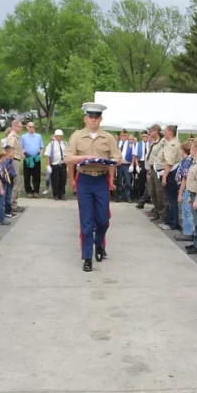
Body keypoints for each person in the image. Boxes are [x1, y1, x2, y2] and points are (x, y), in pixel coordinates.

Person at [65, 102, 121, 272]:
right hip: (84, 180)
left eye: (96, 117)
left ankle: (99, 244)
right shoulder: (77, 136)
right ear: (85, 118)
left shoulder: (108, 137)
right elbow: (68, 158)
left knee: (103, 220)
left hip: (101, 180)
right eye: (90, 117)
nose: (93, 120)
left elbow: (118, 158)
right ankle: (87, 257)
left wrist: (110, 162)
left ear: (100, 119)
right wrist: (86, 157)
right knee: (87, 222)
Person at [157, 125, 182, 231]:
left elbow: (169, 162)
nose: (164, 133)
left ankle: (172, 223)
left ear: (170, 132)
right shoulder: (168, 143)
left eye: (165, 131)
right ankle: (169, 220)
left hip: (170, 173)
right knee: (168, 199)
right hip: (167, 172)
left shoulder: (172, 144)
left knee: (171, 199)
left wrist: (164, 177)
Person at [146, 124, 166, 221]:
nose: (149, 132)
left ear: (157, 131)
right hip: (152, 169)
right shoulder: (153, 142)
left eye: (151, 130)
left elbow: (161, 157)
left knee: (159, 192)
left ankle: (162, 214)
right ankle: (157, 212)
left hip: (158, 169)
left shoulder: (162, 142)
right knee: (152, 192)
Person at [175, 142, 194, 242]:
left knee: (186, 211)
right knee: (185, 210)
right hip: (186, 188)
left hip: (186, 188)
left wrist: (180, 193)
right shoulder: (186, 160)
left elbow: (184, 179)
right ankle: (187, 231)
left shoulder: (187, 162)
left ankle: (188, 232)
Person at [5, 120, 25, 214]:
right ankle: (13, 204)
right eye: (20, 127)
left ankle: (14, 203)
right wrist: (11, 160)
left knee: (17, 182)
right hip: (14, 160)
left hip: (16, 159)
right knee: (16, 182)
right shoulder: (12, 137)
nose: (21, 128)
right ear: (15, 126)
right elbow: (10, 150)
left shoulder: (16, 137)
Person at [21, 122, 44, 198]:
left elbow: (41, 147)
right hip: (28, 158)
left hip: (36, 157)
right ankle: (28, 191)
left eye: (33, 127)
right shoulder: (23, 137)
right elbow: (21, 148)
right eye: (30, 127)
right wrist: (23, 156)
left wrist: (40, 155)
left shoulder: (38, 136)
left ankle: (36, 191)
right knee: (27, 176)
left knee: (37, 175)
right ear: (27, 127)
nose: (32, 128)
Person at [45, 129, 68, 200]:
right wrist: (48, 165)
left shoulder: (64, 143)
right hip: (55, 164)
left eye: (61, 136)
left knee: (63, 180)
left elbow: (67, 154)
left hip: (63, 164)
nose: (59, 137)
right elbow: (47, 155)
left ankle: (62, 194)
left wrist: (67, 164)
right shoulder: (51, 144)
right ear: (55, 136)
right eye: (58, 136)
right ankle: (55, 194)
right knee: (55, 180)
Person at [116, 129, 134, 202]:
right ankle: (119, 196)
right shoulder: (117, 143)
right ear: (120, 136)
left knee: (127, 182)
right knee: (119, 181)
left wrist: (132, 164)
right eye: (122, 135)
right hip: (118, 165)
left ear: (127, 136)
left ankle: (128, 196)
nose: (123, 136)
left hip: (127, 165)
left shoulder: (131, 143)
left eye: (125, 135)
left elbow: (133, 154)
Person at [134, 130, 150, 208]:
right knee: (141, 181)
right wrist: (137, 165)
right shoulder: (138, 144)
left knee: (149, 181)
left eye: (146, 136)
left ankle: (148, 198)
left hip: (149, 163)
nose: (145, 138)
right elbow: (135, 156)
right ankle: (141, 197)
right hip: (141, 162)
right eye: (143, 136)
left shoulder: (150, 144)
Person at [2, 146, 17, 218]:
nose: (13, 153)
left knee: (9, 195)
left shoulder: (10, 160)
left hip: (10, 179)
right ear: (8, 152)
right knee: (7, 196)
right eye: (12, 151)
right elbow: (7, 170)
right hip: (7, 180)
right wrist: (13, 174)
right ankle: (7, 211)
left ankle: (9, 210)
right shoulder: (6, 161)